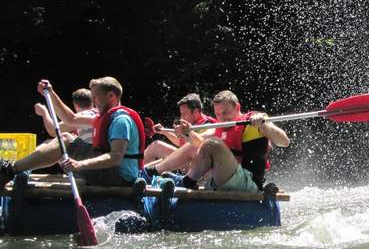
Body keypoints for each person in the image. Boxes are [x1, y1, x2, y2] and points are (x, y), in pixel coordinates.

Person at [0, 77, 145, 188]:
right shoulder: (104, 117)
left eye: (95, 97)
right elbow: (71, 119)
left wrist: (79, 165)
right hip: (112, 171)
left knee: (67, 140)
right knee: (64, 139)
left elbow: (115, 158)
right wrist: (50, 94)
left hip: (118, 176)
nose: (93, 102)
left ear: (111, 96)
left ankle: (10, 170)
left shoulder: (121, 121)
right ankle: (12, 169)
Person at [161, 90, 290, 192]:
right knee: (195, 146)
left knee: (212, 144)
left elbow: (284, 142)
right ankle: (151, 172)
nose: (222, 118)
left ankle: (186, 182)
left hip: (247, 182)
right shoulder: (219, 127)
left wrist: (263, 125)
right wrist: (186, 132)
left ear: (237, 107)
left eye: (225, 112)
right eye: (218, 114)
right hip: (223, 178)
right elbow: (197, 142)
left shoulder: (256, 121)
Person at [143, 93, 216, 165]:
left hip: (197, 165)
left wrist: (184, 134)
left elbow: (197, 147)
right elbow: (180, 142)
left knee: (157, 149)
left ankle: (136, 172)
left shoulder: (208, 125)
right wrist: (164, 131)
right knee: (156, 146)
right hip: (188, 160)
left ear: (196, 112)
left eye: (184, 114)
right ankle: (138, 171)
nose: (181, 117)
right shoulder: (193, 124)